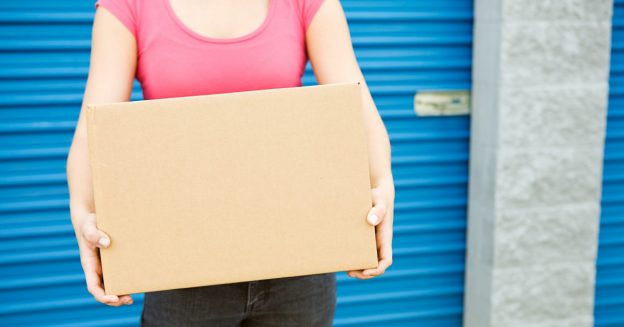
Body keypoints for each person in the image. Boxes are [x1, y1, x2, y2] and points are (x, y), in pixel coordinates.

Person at [65, 0, 395, 325]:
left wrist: (381, 184)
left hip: (298, 263)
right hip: (181, 267)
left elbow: (357, 107)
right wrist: (83, 213)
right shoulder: (129, 6)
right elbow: (93, 131)